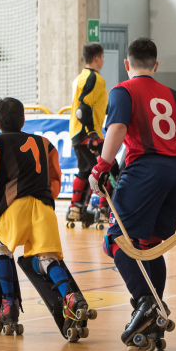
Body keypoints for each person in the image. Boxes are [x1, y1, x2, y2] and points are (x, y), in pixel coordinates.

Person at [89, 37, 176, 351]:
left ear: (127, 64)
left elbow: (116, 128)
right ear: (156, 66)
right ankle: (153, 319)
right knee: (151, 245)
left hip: (145, 171)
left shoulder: (123, 90)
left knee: (116, 239)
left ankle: (146, 304)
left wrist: (101, 166)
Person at [0, 98, 89, 335]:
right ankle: (69, 296)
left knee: (0, 247)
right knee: (45, 258)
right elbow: (54, 181)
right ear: (23, 120)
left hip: (15, 209)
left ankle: (8, 304)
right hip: (44, 208)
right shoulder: (45, 143)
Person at [68, 43, 110, 227]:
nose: (103, 62)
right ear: (97, 58)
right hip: (88, 134)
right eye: (102, 58)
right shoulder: (95, 79)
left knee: (85, 171)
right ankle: (103, 211)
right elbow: (83, 108)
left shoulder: (79, 78)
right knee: (104, 170)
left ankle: (76, 209)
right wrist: (93, 134)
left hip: (76, 133)